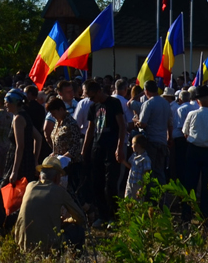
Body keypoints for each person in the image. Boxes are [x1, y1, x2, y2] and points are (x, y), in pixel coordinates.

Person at [14, 155, 85, 251]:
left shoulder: (29, 186)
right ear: (56, 178)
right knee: (78, 231)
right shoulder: (59, 191)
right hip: (48, 247)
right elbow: (81, 218)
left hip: (23, 246)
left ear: (40, 176)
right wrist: (67, 221)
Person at [81, 80, 126, 224]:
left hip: (111, 147)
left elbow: (122, 126)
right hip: (97, 147)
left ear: (99, 91)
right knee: (97, 183)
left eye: (92, 96)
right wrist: (84, 150)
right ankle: (103, 215)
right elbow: (90, 129)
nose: (91, 99)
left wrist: (119, 147)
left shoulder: (114, 103)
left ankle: (114, 216)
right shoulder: (93, 107)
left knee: (110, 184)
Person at [181, 85, 208, 218]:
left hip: (194, 150)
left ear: (198, 100)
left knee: (190, 183)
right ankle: (205, 215)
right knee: (207, 186)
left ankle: (186, 214)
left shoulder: (192, 114)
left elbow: (185, 133)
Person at [3, 89, 41, 186]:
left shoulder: (18, 119)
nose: (5, 105)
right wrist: (35, 159)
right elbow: (38, 137)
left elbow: (20, 146)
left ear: (13, 102)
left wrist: (14, 171)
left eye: (6, 102)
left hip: (19, 163)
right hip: (28, 160)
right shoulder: (25, 115)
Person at [135, 80, 171, 181]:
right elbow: (170, 123)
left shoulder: (148, 103)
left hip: (151, 140)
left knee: (150, 170)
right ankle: (161, 194)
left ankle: (151, 194)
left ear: (146, 91)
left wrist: (136, 121)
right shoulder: (166, 103)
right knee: (160, 170)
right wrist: (170, 137)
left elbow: (143, 123)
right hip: (163, 140)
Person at [47, 96, 84, 195]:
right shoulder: (57, 122)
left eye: (54, 113)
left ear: (61, 109)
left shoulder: (71, 124)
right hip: (59, 165)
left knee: (71, 195)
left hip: (70, 166)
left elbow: (75, 147)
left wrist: (63, 159)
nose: (53, 116)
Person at [123, 133, 152, 198]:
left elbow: (146, 174)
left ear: (138, 145)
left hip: (138, 185)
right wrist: (123, 161)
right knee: (128, 201)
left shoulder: (145, 159)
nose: (131, 146)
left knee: (137, 203)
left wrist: (142, 188)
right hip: (130, 182)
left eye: (133, 144)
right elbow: (130, 167)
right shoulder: (133, 156)